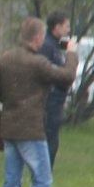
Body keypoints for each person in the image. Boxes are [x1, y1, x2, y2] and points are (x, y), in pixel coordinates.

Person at [0, 18, 79, 187]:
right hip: (31, 129)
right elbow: (66, 78)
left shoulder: (6, 59)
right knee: (42, 179)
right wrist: (71, 54)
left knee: (11, 182)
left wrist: (14, 101)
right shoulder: (37, 63)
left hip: (9, 127)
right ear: (38, 38)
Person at [37, 11, 73, 168]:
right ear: (56, 27)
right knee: (49, 140)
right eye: (66, 26)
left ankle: (44, 175)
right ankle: (43, 175)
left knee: (52, 139)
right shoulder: (47, 46)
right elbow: (47, 72)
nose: (68, 30)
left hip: (56, 99)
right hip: (50, 100)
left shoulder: (54, 43)